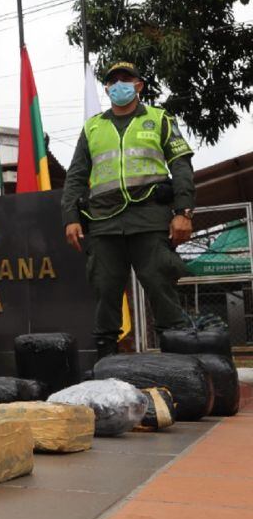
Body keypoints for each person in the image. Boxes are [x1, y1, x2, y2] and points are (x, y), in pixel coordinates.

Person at [61, 61, 195, 360]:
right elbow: (76, 176)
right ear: (107, 88)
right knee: (105, 294)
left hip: (149, 217)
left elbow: (181, 166)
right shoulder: (93, 126)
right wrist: (70, 217)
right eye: (113, 81)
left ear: (139, 85)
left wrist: (184, 212)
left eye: (126, 79)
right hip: (103, 222)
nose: (119, 84)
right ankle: (106, 366)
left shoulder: (160, 119)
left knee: (162, 289)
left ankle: (181, 367)